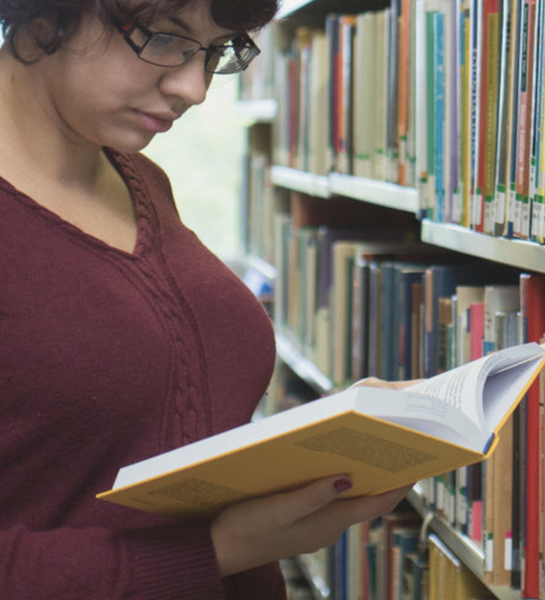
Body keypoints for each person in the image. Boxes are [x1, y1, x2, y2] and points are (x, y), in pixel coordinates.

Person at [0, 1, 413, 597]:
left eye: (218, 51)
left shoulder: (138, 179)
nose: (193, 88)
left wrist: (330, 430)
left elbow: (140, 424)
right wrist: (222, 550)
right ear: (46, 15)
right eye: (165, 39)